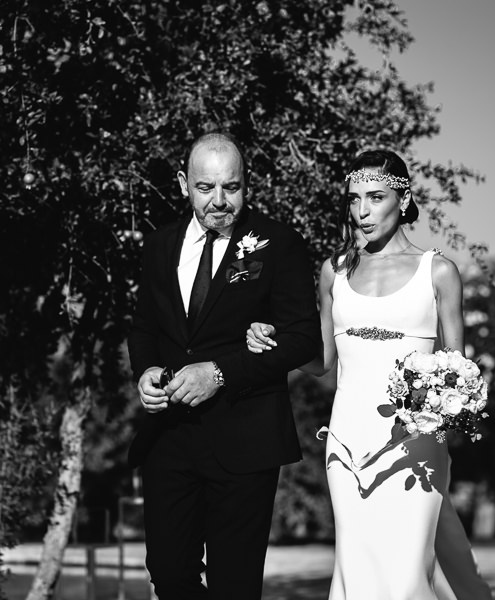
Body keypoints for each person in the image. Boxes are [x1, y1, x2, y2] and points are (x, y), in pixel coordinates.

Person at [246, 149, 492, 599]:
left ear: (403, 199)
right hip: (346, 443)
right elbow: (322, 363)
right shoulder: (333, 272)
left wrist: (438, 405)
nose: (361, 211)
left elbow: (461, 371)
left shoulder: (438, 273)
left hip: (415, 448)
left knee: (404, 577)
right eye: (354, 198)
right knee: (357, 571)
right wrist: (277, 343)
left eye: (375, 197)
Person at [127, 132, 320, 600]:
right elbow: (144, 325)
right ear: (183, 184)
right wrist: (146, 371)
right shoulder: (157, 246)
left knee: (234, 585)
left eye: (230, 187)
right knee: (169, 575)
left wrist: (219, 373)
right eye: (205, 187)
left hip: (245, 438)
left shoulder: (279, 244)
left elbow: (302, 339)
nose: (219, 201)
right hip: (169, 439)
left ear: (246, 185)